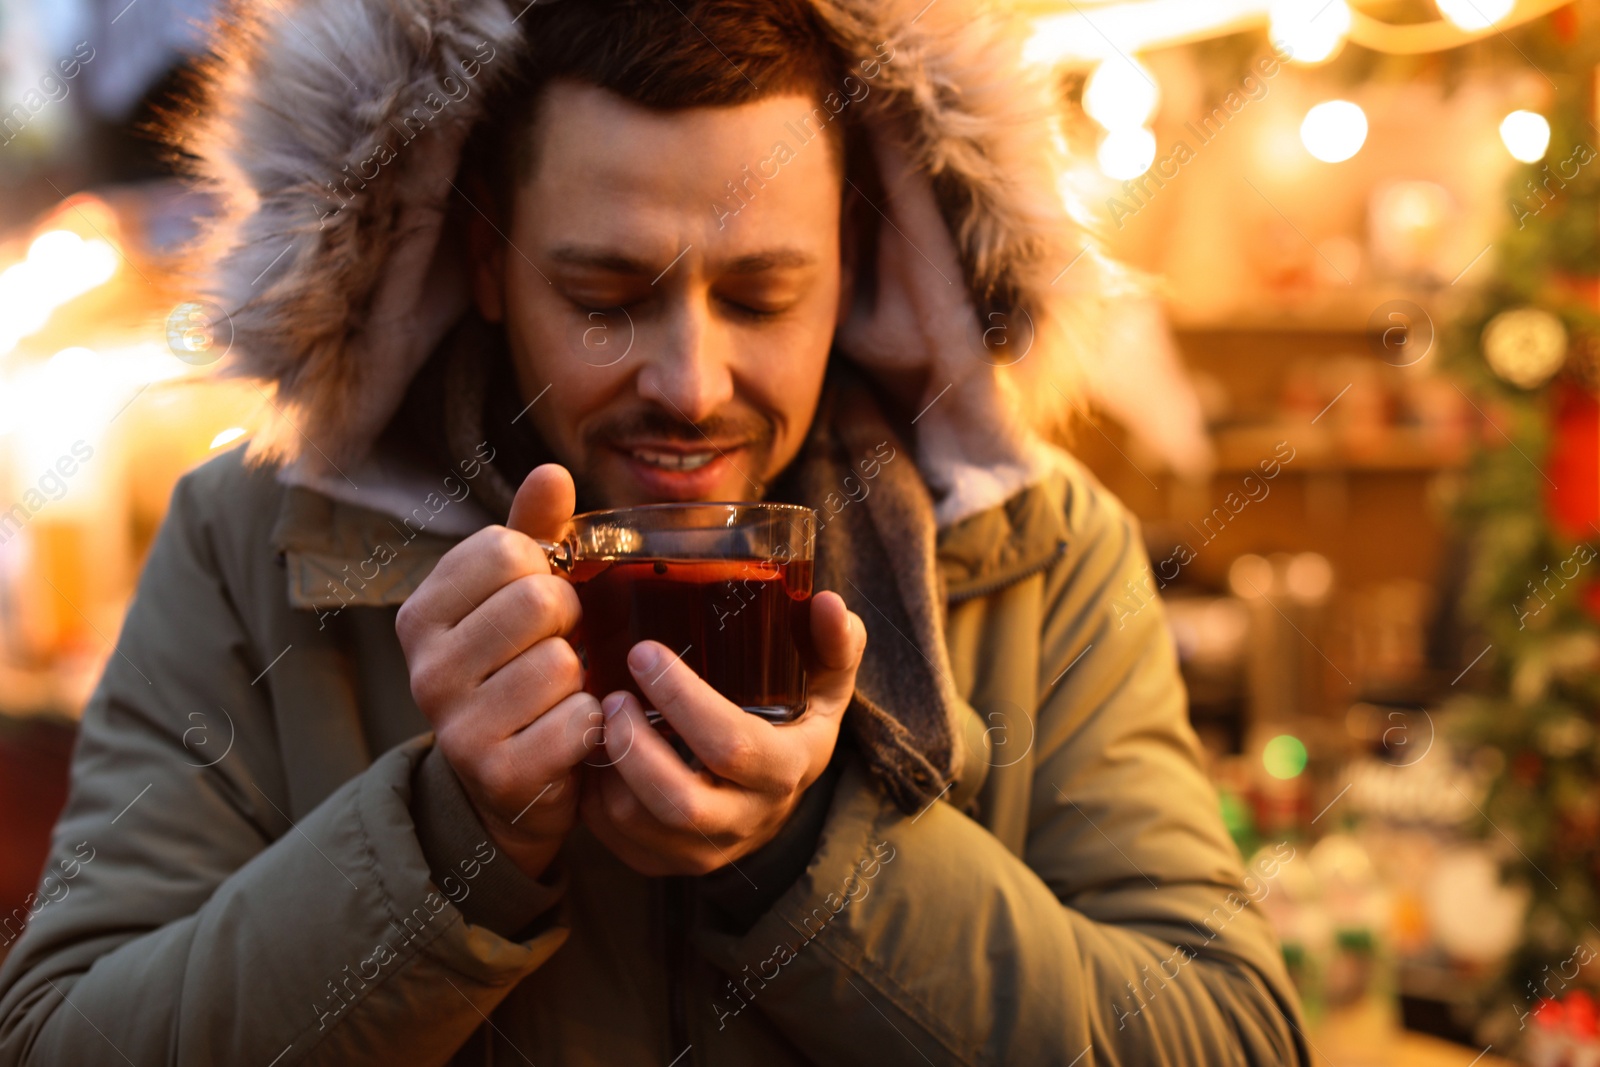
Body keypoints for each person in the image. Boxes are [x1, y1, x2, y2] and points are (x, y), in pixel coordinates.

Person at [0, 0, 1308, 1063]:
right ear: (482, 267)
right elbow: (65, 1038)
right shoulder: (248, 548)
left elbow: (1232, 1039)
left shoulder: (1037, 549)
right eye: (605, 295)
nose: (690, 381)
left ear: (850, 267)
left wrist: (813, 861)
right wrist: (453, 851)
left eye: (763, 297)